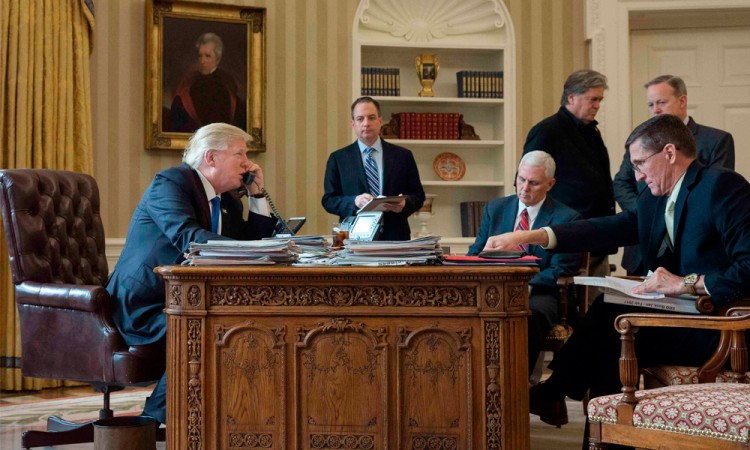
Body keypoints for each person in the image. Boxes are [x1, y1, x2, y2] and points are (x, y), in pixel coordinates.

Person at [483, 114, 750, 444]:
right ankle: (572, 413)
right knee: (610, 325)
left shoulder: (721, 187)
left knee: (612, 328)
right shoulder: (653, 197)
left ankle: (557, 395)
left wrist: (686, 282)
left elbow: (747, 267)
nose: (637, 176)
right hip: (683, 318)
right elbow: (606, 228)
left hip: (722, 327)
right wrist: (534, 235)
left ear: (669, 153)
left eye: (640, 164)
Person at [106, 123, 278, 424]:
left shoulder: (227, 201)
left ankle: (236, 419)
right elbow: (189, 238)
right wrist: (252, 252)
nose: (248, 163)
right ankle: (152, 421)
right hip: (145, 305)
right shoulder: (170, 183)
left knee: (241, 328)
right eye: (239, 154)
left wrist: (257, 194)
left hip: (188, 303)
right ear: (211, 158)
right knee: (209, 330)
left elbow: (249, 244)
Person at [467, 150, 582, 377]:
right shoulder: (495, 209)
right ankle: (477, 380)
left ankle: (518, 383)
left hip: (542, 292)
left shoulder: (567, 218)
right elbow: (475, 253)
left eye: (533, 183)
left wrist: (523, 283)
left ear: (550, 184)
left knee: (527, 314)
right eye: (521, 179)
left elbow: (561, 269)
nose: (524, 188)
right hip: (493, 288)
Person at [613, 74, 736, 275]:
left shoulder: (715, 140)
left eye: (661, 102)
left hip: (694, 251)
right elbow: (621, 183)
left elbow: (714, 192)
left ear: (682, 101)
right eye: (651, 104)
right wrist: (648, 214)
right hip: (643, 249)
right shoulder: (641, 141)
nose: (655, 110)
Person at [522, 70, 616, 299]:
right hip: (566, 235)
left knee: (597, 303)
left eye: (600, 100)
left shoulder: (591, 132)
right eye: (593, 99)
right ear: (572, 97)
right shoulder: (547, 131)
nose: (597, 106)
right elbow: (527, 182)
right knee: (576, 304)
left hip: (597, 232)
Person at [322, 96, 425, 240]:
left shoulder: (403, 156)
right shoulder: (338, 158)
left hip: (395, 237)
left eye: (371, 118)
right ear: (353, 124)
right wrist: (354, 201)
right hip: (350, 237)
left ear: (380, 121)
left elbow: (418, 196)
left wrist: (404, 204)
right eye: (360, 119)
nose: (366, 123)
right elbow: (329, 200)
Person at [168, 33, 246, 132]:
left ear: (218, 59)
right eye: (200, 56)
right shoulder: (190, 82)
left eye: (207, 56)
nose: (202, 61)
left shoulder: (227, 85)